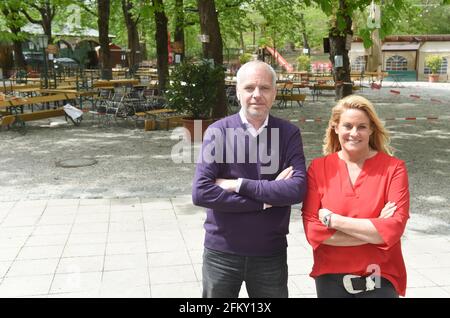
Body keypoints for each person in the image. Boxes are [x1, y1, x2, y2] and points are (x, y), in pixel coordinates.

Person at [192, 60, 307, 298]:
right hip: (221, 252)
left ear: (275, 92)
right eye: (249, 88)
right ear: (237, 92)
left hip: (269, 252)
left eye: (264, 88)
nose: (257, 95)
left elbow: (297, 189)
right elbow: (202, 192)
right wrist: (266, 199)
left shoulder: (288, 134)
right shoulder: (218, 132)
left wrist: (238, 185)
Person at [301, 95, 410, 298]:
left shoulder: (394, 169)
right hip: (330, 280)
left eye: (361, 127)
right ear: (335, 127)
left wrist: (333, 220)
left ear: (371, 130)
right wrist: (376, 229)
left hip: (380, 278)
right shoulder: (318, 168)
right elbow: (314, 233)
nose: (354, 133)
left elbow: (393, 229)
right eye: (347, 126)